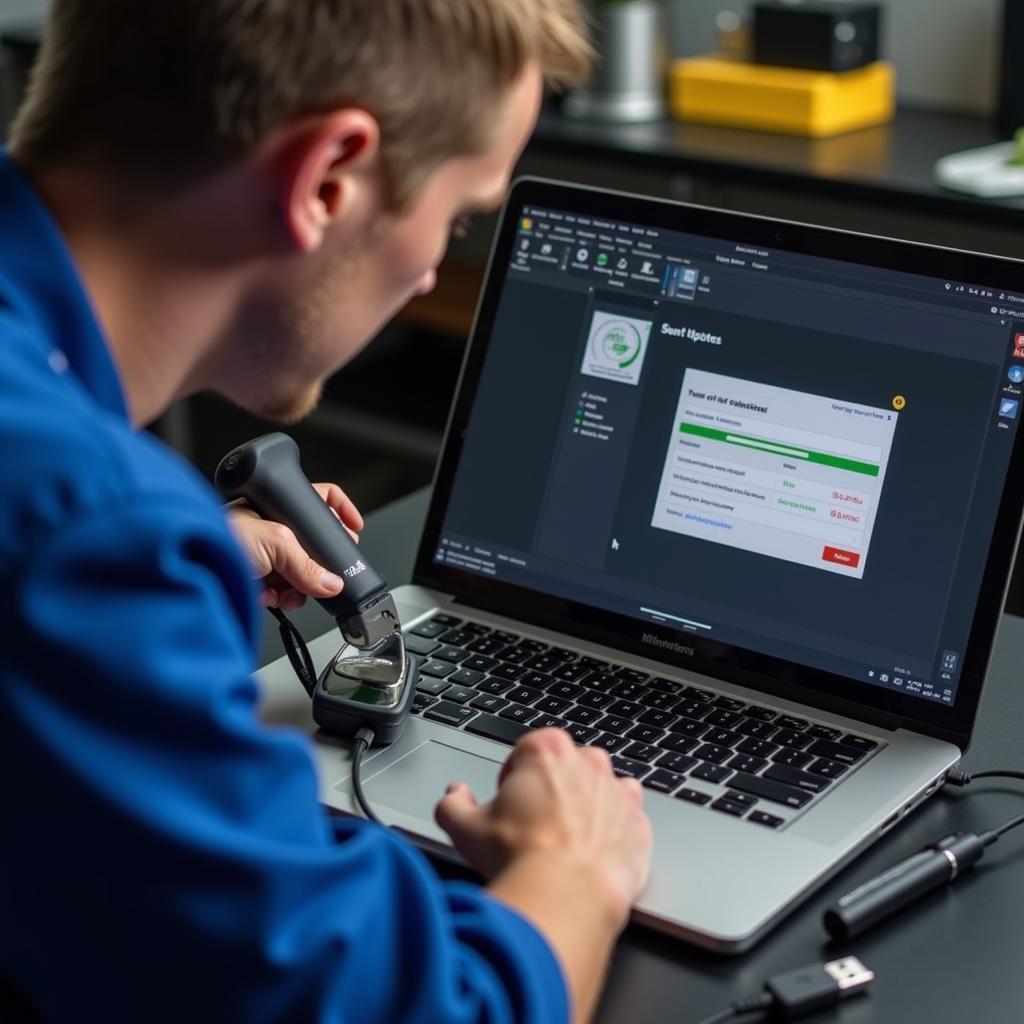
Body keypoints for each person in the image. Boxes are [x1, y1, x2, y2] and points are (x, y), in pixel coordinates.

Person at [0, 2, 654, 1022]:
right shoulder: (87, 534)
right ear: (329, 180)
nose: (436, 268)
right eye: (458, 215)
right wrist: (574, 874)